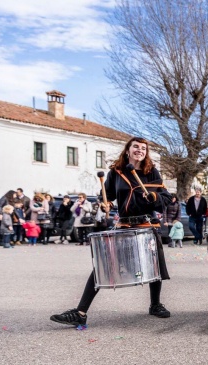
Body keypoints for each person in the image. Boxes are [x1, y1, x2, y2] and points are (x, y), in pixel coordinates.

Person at [50, 137, 173, 327]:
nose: (140, 150)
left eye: (143, 148)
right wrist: (105, 202)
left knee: (154, 266)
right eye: (136, 147)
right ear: (127, 150)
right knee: (102, 265)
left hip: (147, 224)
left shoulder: (151, 172)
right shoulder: (116, 172)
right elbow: (107, 194)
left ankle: (155, 305)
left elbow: (166, 198)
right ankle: (80, 312)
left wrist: (154, 197)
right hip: (124, 225)